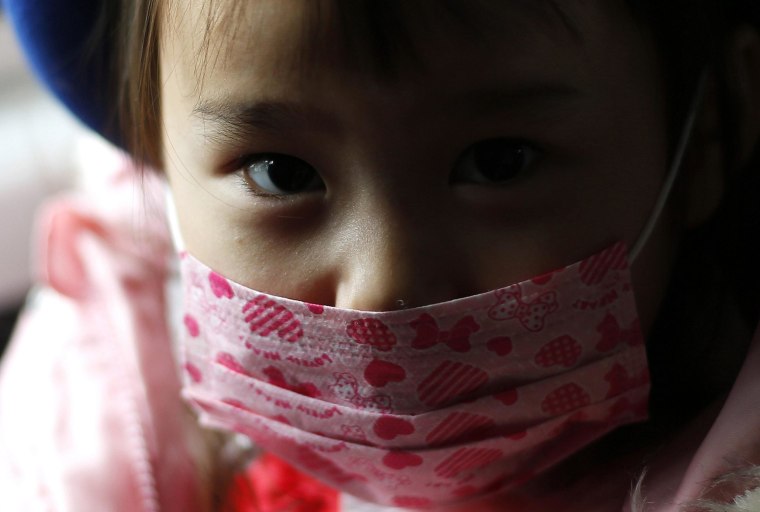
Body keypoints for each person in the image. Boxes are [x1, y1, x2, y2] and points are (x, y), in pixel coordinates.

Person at [0, 1, 759, 511]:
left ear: (709, 140)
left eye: (500, 162)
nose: (383, 285)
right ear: (160, 164)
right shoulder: (91, 441)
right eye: (282, 174)